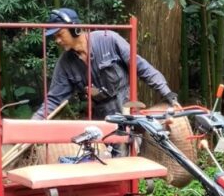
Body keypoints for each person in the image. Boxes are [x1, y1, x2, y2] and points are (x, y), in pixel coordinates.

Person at [31, 8, 180, 122]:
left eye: (59, 34)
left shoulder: (109, 40)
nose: (57, 40)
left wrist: (168, 94)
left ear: (75, 29)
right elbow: (54, 99)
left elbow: (142, 67)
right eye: (54, 37)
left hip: (128, 108)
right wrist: (31, 125)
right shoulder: (65, 64)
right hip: (102, 117)